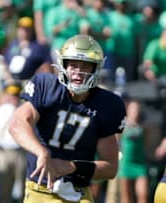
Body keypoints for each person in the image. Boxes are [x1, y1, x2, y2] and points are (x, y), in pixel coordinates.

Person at [8, 34, 126, 203]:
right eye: (73, 65)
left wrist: (71, 167)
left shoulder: (108, 104)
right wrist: (41, 152)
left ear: (96, 68)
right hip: (40, 190)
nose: (78, 72)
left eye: (85, 66)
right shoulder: (46, 86)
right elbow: (16, 124)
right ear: (63, 65)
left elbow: (110, 167)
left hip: (78, 192)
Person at [118, 99, 149, 203]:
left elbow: (148, 144)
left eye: (137, 109)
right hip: (125, 164)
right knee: (126, 198)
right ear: (128, 110)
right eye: (133, 109)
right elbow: (115, 142)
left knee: (143, 196)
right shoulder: (122, 126)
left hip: (140, 164)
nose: (135, 111)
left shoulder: (144, 127)